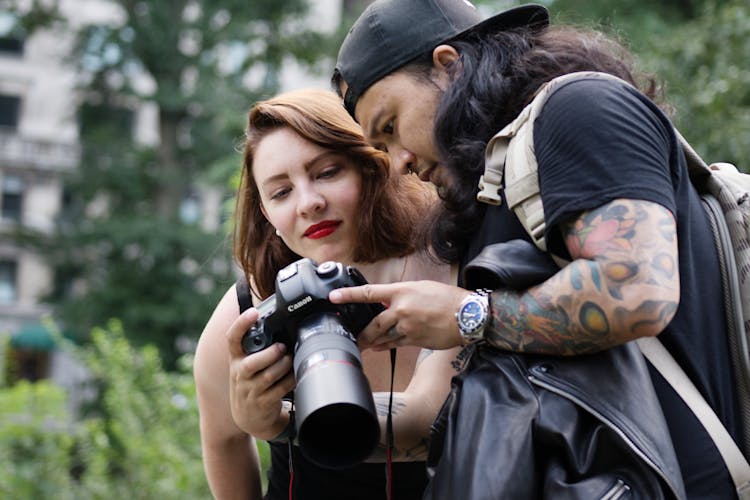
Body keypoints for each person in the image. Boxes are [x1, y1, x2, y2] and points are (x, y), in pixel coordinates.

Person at [329, 0, 741, 498]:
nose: (398, 163)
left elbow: (636, 290)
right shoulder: (489, 198)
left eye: (391, 127)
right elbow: (433, 415)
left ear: (449, 64)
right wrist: (285, 415)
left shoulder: (579, 108)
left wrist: (471, 316)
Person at [193, 88, 461, 500]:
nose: (309, 203)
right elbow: (223, 440)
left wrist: (278, 423)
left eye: (327, 172)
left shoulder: (450, 270)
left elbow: (429, 422)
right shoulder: (249, 313)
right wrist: (247, 413)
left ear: (370, 164)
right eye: (281, 193)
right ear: (266, 213)